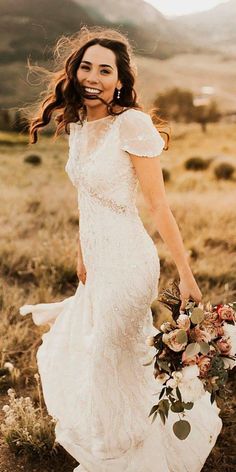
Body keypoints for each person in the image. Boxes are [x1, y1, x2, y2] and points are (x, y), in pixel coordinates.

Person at [20, 26, 222, 472]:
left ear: (120, 80)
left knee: (110, 352)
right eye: (86, 66)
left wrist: (187, 275)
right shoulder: (78, 123)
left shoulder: (131, 123)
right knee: (110, 360)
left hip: (129, 261)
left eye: (104, 69)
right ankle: (115, 440)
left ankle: (129, 456)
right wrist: (80, 252)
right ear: (75, 72)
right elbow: (85, 198)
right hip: (97, 260)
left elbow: (159, 207)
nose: (93, 76)